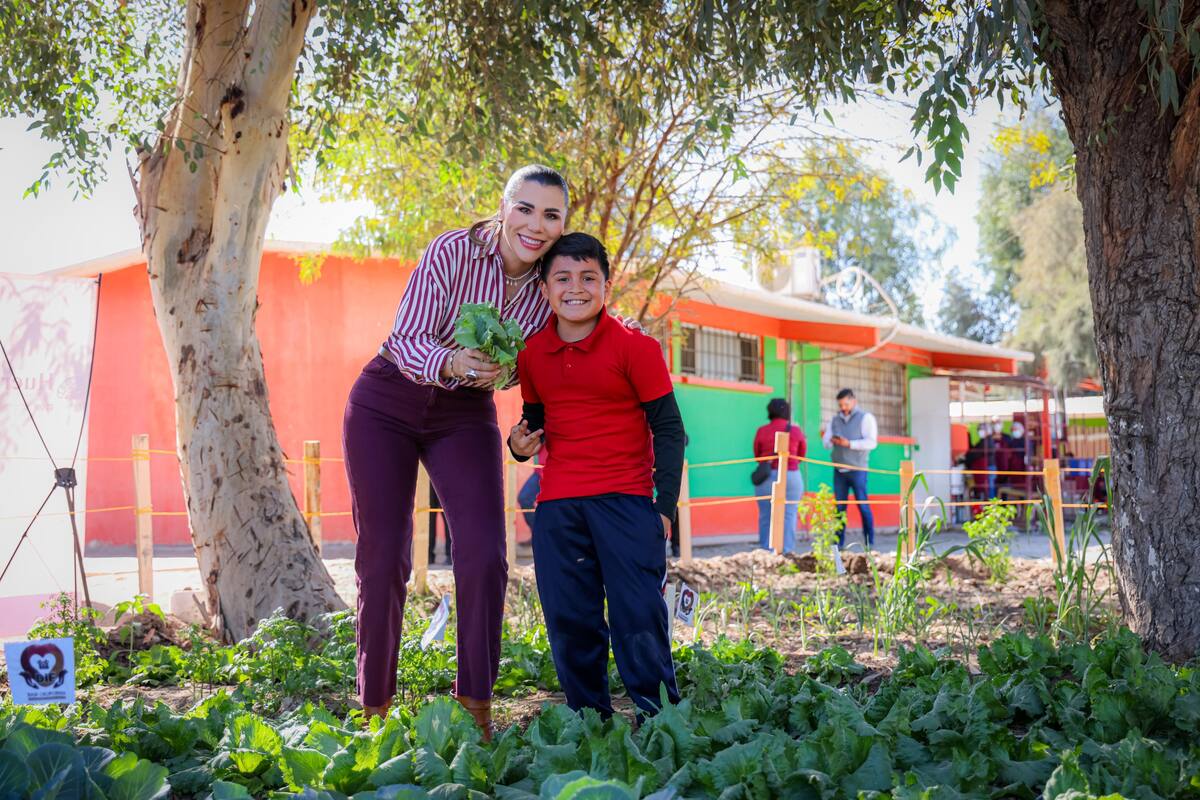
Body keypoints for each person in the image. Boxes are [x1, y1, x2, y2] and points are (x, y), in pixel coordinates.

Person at [343, 164, 571, 736]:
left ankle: (475, 706)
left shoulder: (551, 285)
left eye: (551, 215)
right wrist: (452, 361)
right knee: (384, 557)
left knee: (485, 556)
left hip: (464, 415)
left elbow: (541, 365)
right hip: (388, 399)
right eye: (525, 208)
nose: (535, 225)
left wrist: (524, 411)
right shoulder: (451, 252)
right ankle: (374, 709)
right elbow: (407, 335)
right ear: (503, 207)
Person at [508, 232, 685, 720]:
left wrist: (663, 509)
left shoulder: (636, 347)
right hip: (559, 506)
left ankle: (661, 719)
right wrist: (517, 446)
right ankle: (590, 722)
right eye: (563, 277)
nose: (576, 288)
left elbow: (669, 430)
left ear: (606, 284)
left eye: (589, 277)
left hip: (626, 501)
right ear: (544, 287)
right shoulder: (532, 353)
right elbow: (533, 423)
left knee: (638, 616)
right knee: (570, 619)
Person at [822, 388, 878, 548]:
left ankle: (869, 542)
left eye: (846, 404)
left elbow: (872, 442)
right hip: (839, 470)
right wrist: (832, 441)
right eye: (840, 405)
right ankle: (838, 545)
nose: (843, 408)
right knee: (840, 507)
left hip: (858, 470)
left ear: (854, 401)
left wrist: (850, 444)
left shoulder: (866, 418)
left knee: (863, 505)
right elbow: (825, 442)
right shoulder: (834, 420)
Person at [751, 399, 806, 551]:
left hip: (766, 477)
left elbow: (757, 455)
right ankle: (786, 551)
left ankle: (766, 552)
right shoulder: (795, 430)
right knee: (789, 514)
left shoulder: (762, 430)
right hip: (791, 475)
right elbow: (801, 454)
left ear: (769, 412)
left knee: (766, 516)